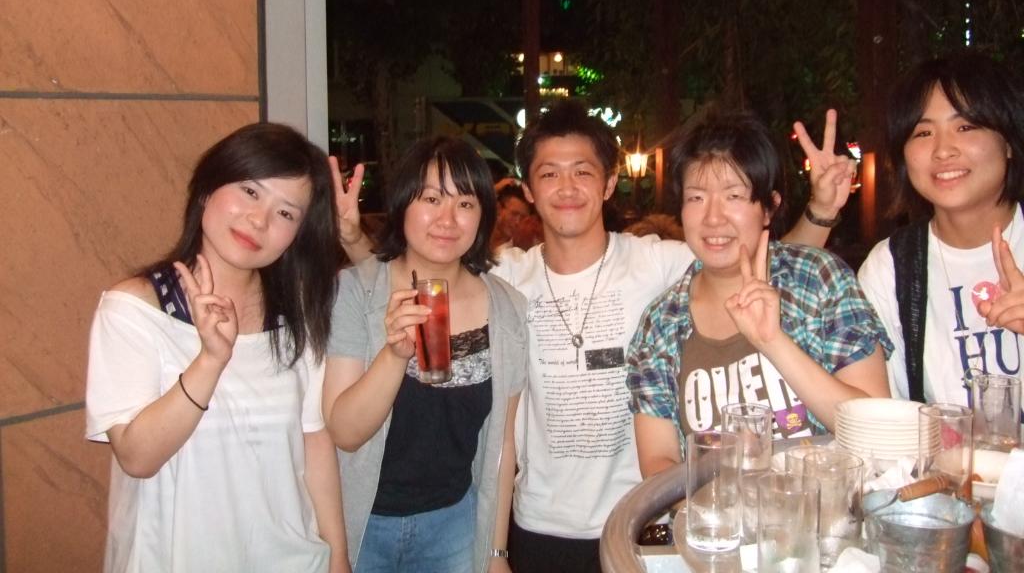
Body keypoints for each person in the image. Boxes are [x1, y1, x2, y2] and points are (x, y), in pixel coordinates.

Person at [334, 100, 855, 573]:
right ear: (529, 189)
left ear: (608, 184)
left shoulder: (656, 262)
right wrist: (355, 240)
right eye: (549, 174)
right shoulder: (505, 279)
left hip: (636, 518)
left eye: (583, 171)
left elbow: (753, 264)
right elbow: (422, 265)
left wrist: (821, 212)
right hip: (537, 524)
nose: (567, 188)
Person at [85, 123, 348, 573]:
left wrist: (338, 557)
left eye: (286, 213)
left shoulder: (295, 314)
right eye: (250, 191)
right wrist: (210, 360)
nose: (259, 220)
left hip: (293, 560)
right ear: (208, 188)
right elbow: (136, 457)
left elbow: (313, 439)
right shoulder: (135, 309)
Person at [626, 112, 892, 476]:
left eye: (734, 196)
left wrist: (773, 342)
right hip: (717, 512)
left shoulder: (817, 280)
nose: (713, 218)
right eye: (696, 197)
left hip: (826, 508)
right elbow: (659, 462)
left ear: (769, 207)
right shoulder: (661, 322)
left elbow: (877, 432)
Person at [323, 136, 527, 573]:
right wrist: (395, 355)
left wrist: (496, 552)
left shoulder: (507, 308)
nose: (447, 219)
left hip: (453, 525)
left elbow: (503, 444)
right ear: (403, 204)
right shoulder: (356, 292)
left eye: (465, 203)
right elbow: (344, 432)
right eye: (432, 199)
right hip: (362, 524)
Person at [859, 52, 1024, 408]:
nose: (943, 150)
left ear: (1009, 141)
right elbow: (886, 414)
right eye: (923, 132)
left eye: (965, 127)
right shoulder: (890, 269)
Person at [490, 181, 531, 253]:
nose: (517, 222)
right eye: (514, 214)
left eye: (523, 218)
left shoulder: (515, 255)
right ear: (499, 209)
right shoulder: (477, 231)